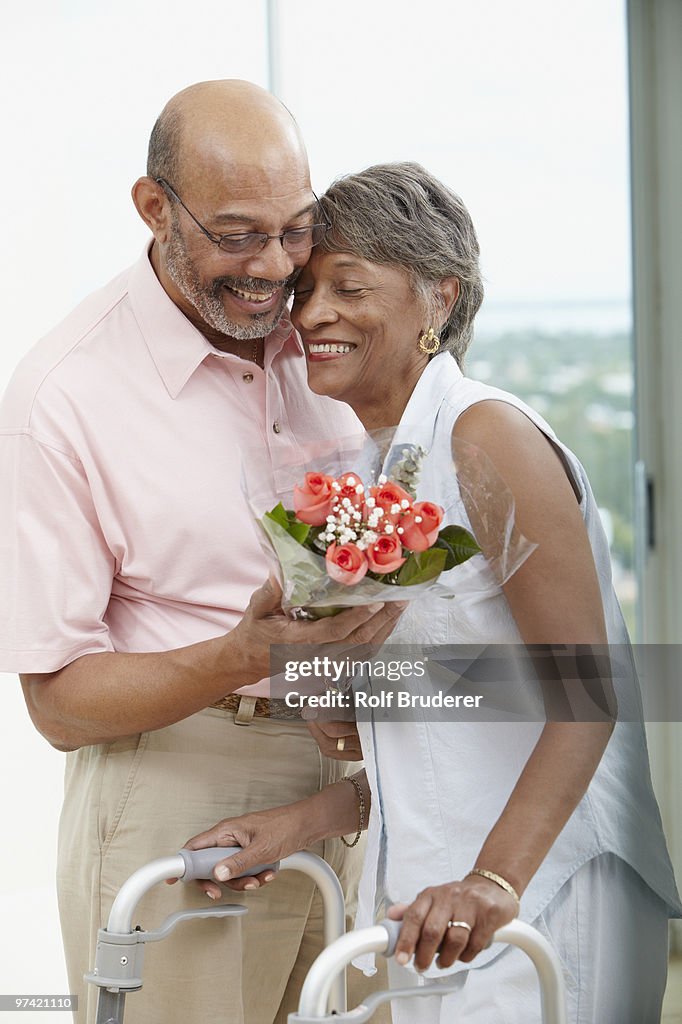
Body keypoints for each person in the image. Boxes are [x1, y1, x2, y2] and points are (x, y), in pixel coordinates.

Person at [185, 161, 681, 1023]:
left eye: (349, 287)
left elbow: (586, 695)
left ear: (440, 300)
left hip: (541, 892)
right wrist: (306, 807)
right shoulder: (382, 469)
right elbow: (459, 737)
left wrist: (493, 880)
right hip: (435, 903)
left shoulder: (484, 437)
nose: (312, 315)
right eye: (304, 291)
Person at [0, 82, 402, 1024]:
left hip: (365, 781)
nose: (274, 268)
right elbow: (57, 703)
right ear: (154, 208)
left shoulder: (329, 335)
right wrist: (242, 653)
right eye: (236, 234)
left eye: (296, 229)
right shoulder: (62, 397)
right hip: (182, 786)